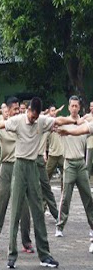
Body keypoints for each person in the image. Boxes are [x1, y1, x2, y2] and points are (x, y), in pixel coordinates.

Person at [0, 97, 74, 269]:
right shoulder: (17, 121)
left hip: (33, 167)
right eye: (32, 116)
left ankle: (45, 254)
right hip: (19, 166)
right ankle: (12, 255)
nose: (34, 119)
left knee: (37, 211)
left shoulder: (42, 121)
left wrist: (73, 119)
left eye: (36, 117)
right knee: (15, 211)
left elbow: (58, 120)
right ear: (28, 110)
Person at [53, 96, 93, 238]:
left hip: (81, 164)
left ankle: (92, 226)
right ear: (69, 107)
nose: (74, 108)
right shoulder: (65, 123)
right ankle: (60, 226)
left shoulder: (85, 123)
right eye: (72, 106)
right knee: (66, 198)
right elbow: (53, 122)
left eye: (77, 106)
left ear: (79, 108)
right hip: (69, 163)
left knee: (88, 197)